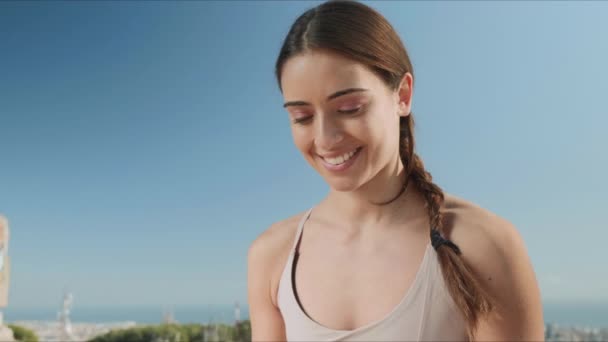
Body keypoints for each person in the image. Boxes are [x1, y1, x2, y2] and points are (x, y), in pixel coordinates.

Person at [247, 0, 544, 341]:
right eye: (302, 117)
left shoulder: (483, 245)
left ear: (402, 95)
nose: (325, 139)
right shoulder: (272, 255)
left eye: (349, 108)